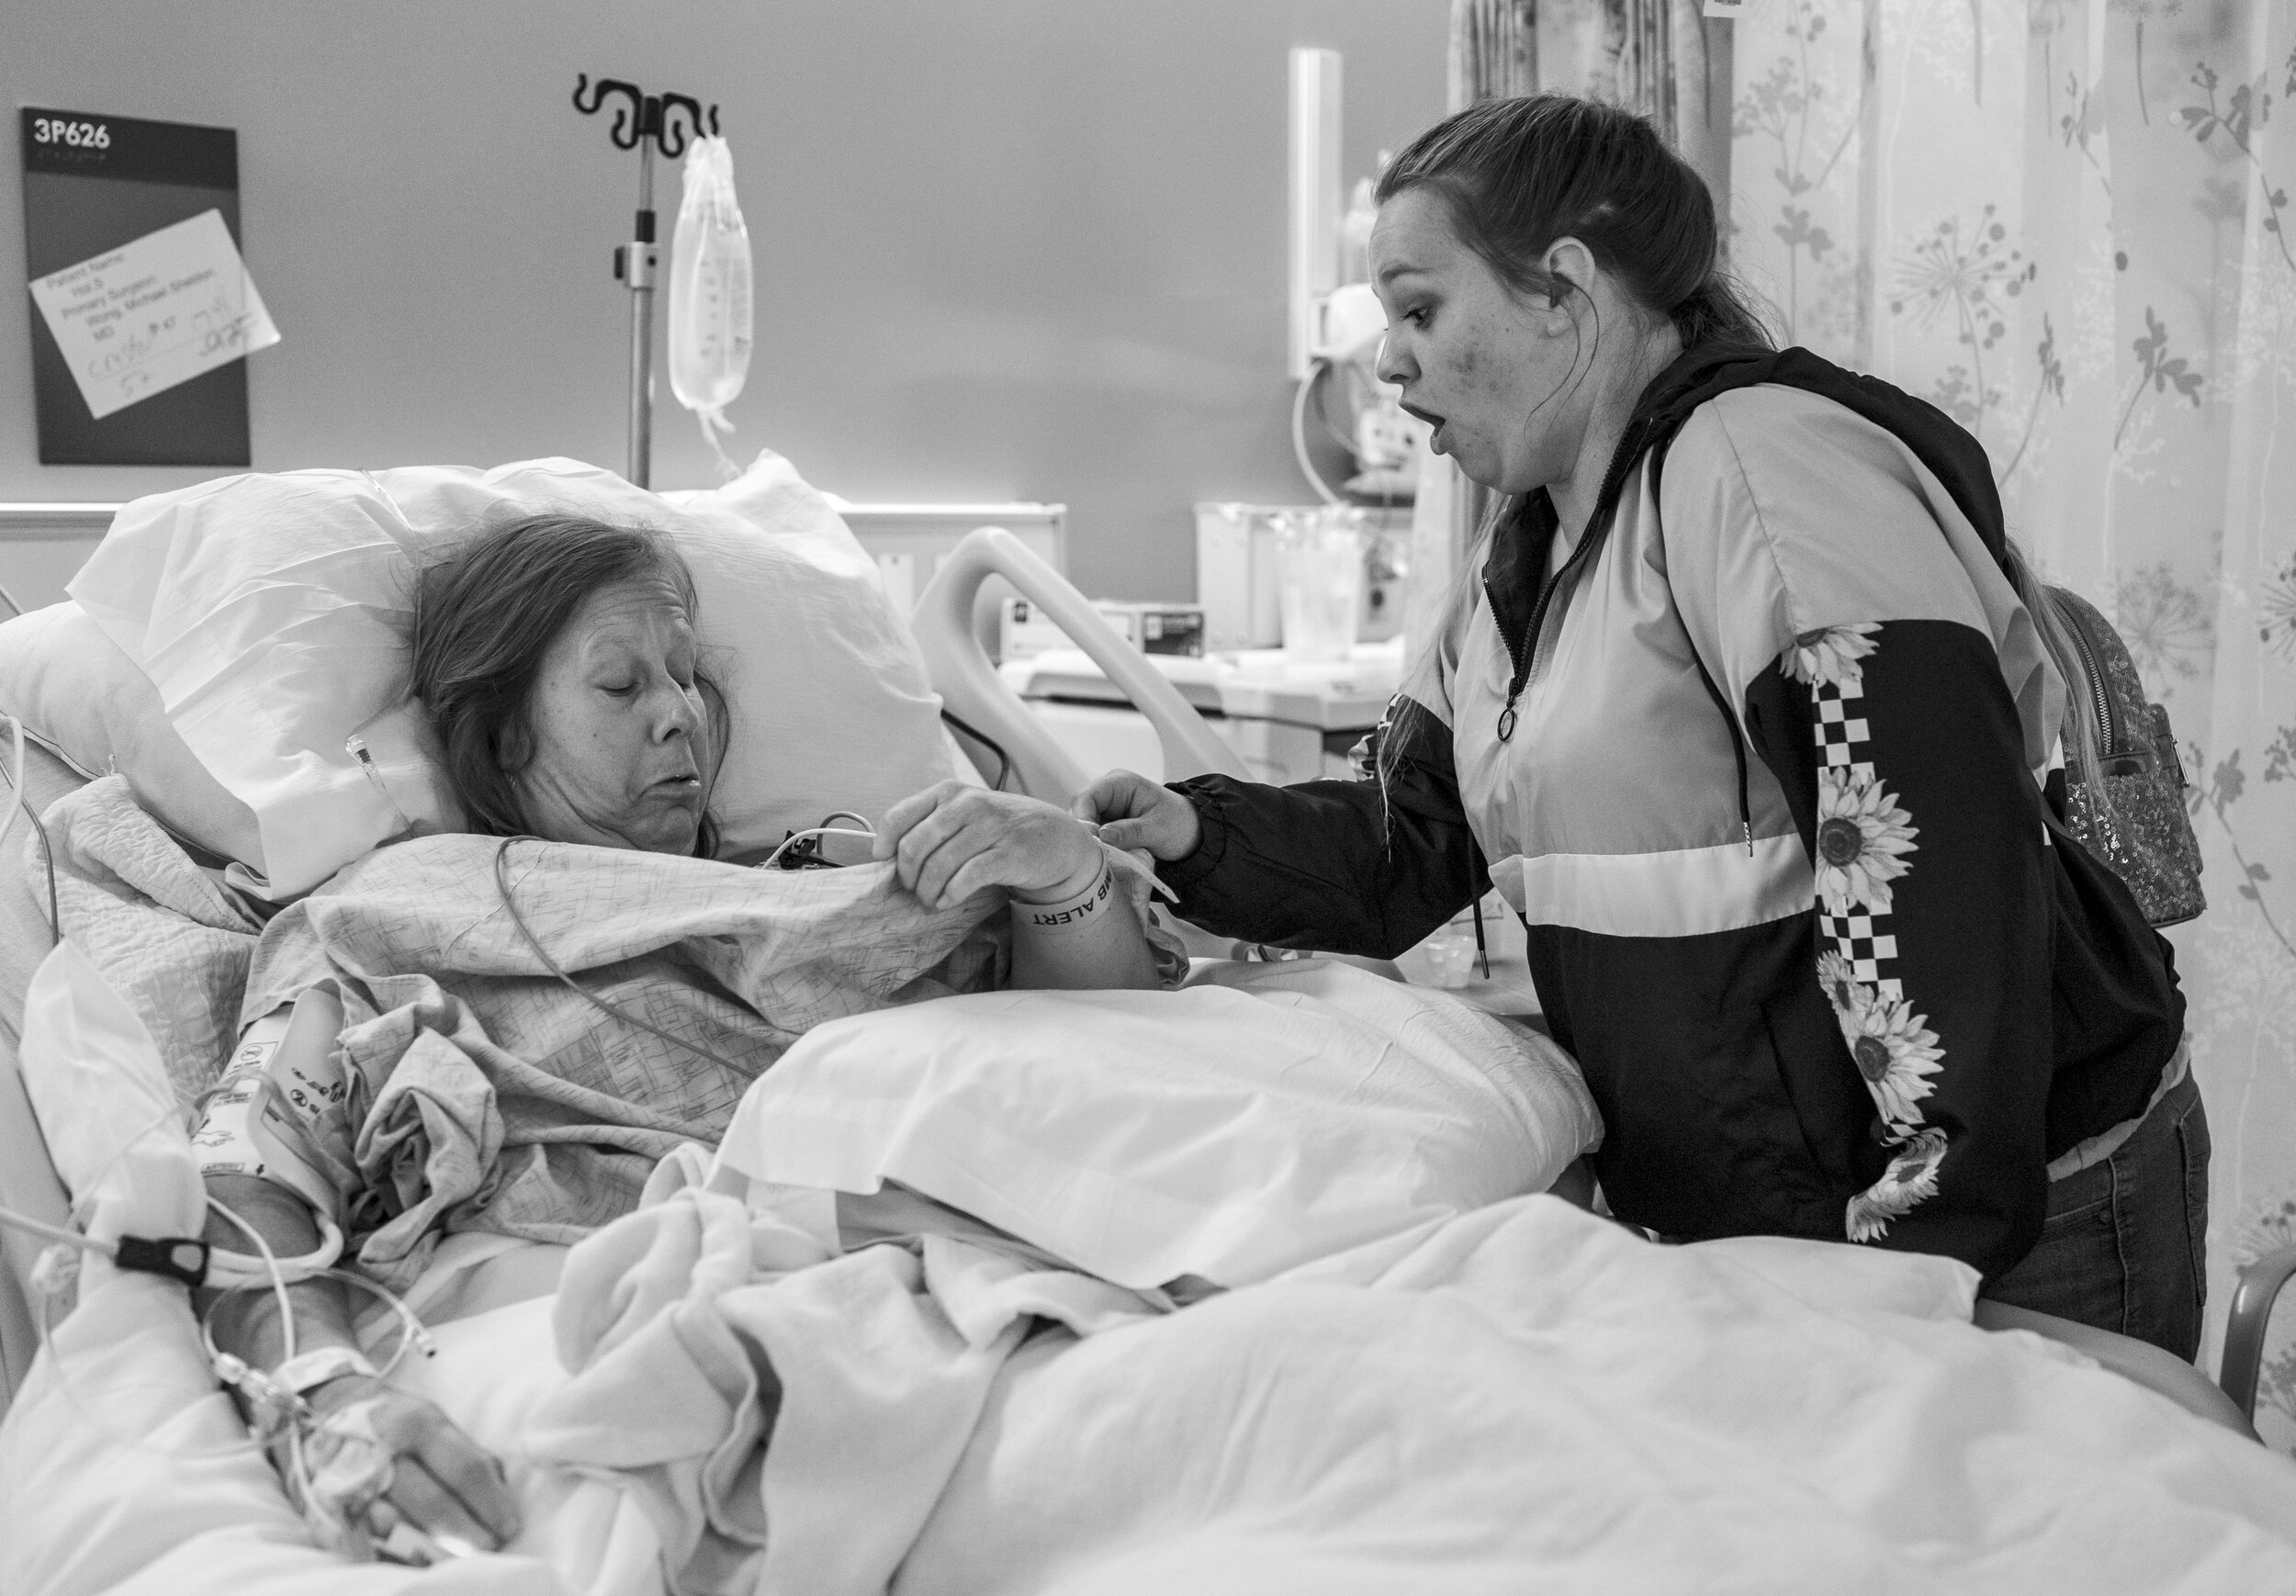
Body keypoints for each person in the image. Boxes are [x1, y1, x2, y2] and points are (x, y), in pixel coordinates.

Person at [1079, 96, 2200, 1359]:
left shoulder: (1769, 478)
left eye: (1418, 309)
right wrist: (1187, 830)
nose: (1387, 365)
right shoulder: (1524, 565)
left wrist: (1913, 1271)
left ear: (1562, 289)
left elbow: (1933, 881)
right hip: (1789, 1234)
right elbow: (1406, 843)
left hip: (2009, 1215)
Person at [195, 514, 1160, 1553]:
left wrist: (1066, 881)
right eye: (621, 687)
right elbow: (254, 1178)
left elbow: (1097, 1036)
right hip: (719, 1311)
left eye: (687, 676)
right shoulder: (387, 914)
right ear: (498, 731)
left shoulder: (827, 888)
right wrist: (322, 1393)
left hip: (1035, 1236)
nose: (679, 717)